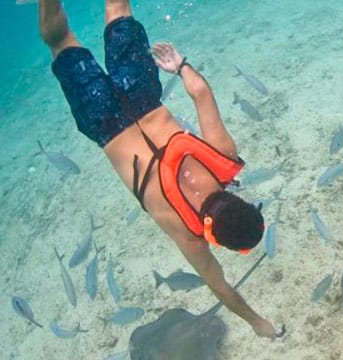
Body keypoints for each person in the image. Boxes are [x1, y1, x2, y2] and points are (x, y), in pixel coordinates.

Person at [38, 0, 282, 338]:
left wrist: (180, 65)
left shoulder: (224, 157)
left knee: (118, 9)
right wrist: (257, 322)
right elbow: (222, 289)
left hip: (141, 96)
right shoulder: (189, 236)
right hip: (106, 124)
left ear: (241, 201)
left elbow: (199, 92)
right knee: (61, 41)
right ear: (211, 234)